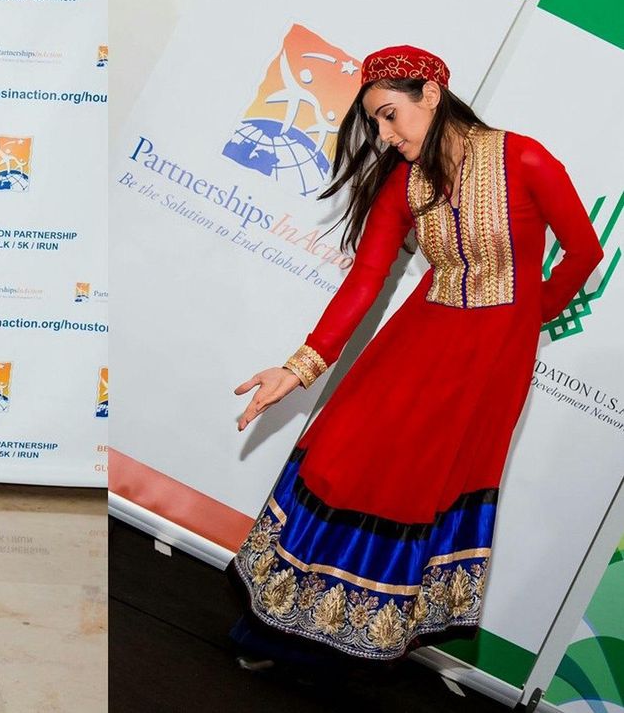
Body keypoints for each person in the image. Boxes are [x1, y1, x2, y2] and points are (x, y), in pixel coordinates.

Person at [231, 45, 602, 665]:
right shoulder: (406, 183)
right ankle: (283, 626)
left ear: (430, 93)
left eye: (389, 115)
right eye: (374, 121)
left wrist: (526, 319)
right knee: (344, 455)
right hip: (413, 343)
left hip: (486, 367)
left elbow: (584, 253)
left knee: (412, 487)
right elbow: (365, 280)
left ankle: (339, 651)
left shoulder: (525, 158)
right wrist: (296, 368)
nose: (383, 133)